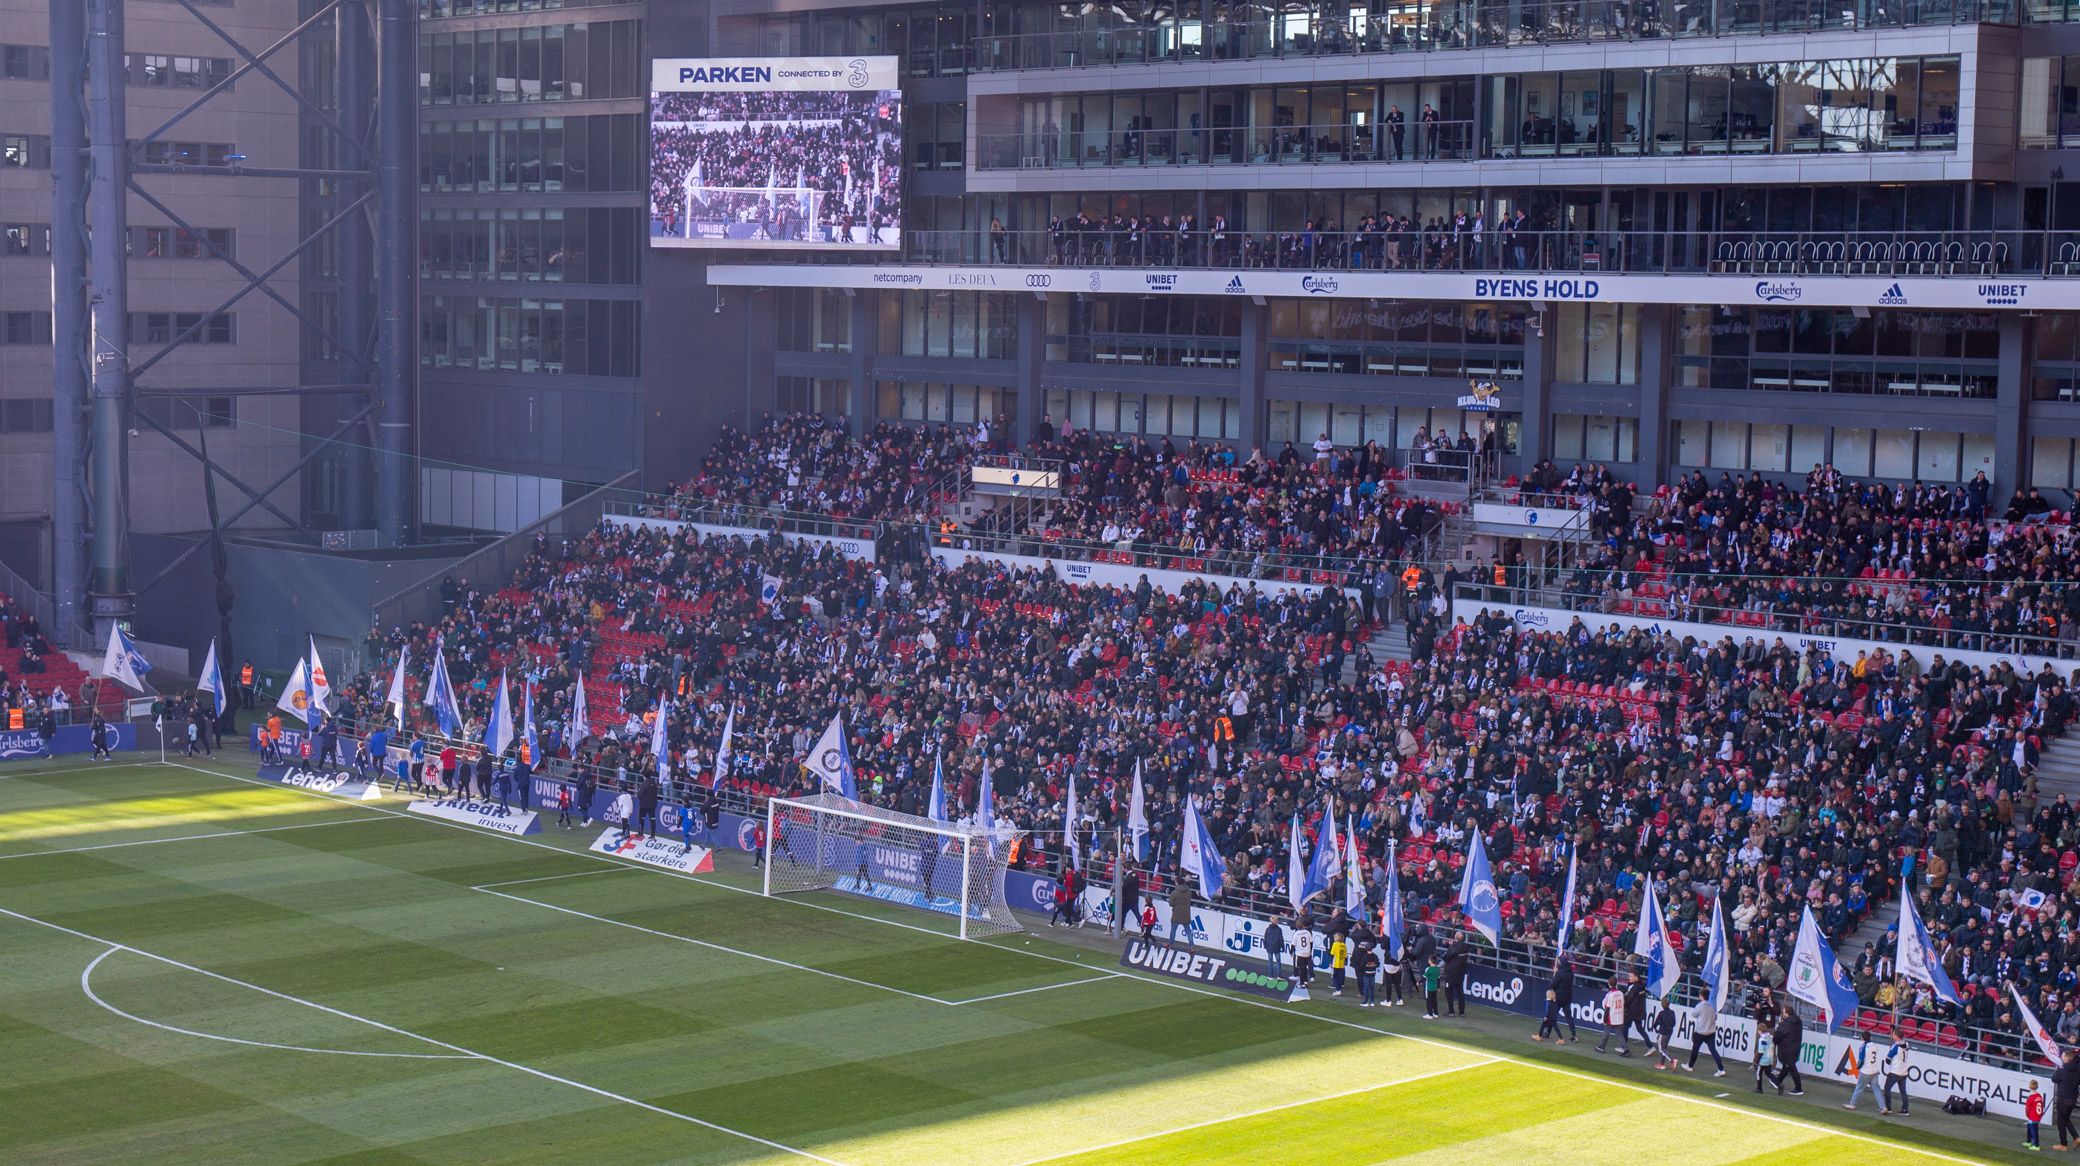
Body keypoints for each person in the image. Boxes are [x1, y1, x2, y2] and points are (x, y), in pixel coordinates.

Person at [1536, 955, 1576, 1042]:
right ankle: (1574, 1035)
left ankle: (1547, 1032)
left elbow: (1553, 985)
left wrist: (1555, 974)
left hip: (1558, 997)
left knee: (1551, 1015)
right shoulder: (1571, 972)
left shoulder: (1559, 973)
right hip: (1567, 996)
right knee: (1569, 1016)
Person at [1686, 992, 1726, 1075]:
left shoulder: (1699, 1006)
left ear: (1701, 996)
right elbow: (1715, 1018)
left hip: (1701, 1032)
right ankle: (1721, 1068)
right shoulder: (1712, 1007)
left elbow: (1694, 1014)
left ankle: (1690, 1066)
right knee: (1713, 1050)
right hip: (1711, 1032)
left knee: (1695, 1049)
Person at [1768, 1007, 1805, 1095]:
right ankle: (1778, 1081)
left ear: (1787, 1013)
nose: (1782, 1014)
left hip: (1787, 1049)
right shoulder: (1796, 1021)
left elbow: (1779, 1034)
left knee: (1791, 1068)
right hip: (1794, 1047)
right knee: (1786, 1067)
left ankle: (1798, 1088)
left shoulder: (1787, 1023)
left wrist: (1781, 1025)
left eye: (1784, 1012)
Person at [1596, 979, 1629, 1055]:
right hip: (1620, 1015)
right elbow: (1624, 1004)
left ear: (1608, 983)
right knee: (1619, 1033)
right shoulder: (1620, 993)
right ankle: (1626, 1049)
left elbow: (1607, 1008)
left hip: (1612, 1016)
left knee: (1606, 1032)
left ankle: (1602, 1046)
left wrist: (1605, 1019)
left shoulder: (1610, 995)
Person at [1880, 1039, 1910, 1116]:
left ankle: (1888, 1108)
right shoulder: (1906, 1044)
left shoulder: (1895, 1046)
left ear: (1896, 1036)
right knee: (1903, 1091)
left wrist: (1890, 1052)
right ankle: (1905, 1109)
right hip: (1904, 1071)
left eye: (1893, 1034)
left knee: (1887, 1089)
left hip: (1895, 1071)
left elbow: (1888, 1060)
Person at [1441, 935, 1469, 1015]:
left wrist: (1450, 946)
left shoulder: (1453, 947)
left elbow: (1445, 957)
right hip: (1461, 972)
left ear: (1456, 938)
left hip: (1451, 973)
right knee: (1460, 991)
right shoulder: (1466, 946)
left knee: (1448, 991)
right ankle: (1461, 1012)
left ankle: (1451, 1011)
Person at [1652, 1002, 1678, 1069]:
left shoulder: (1661, 1013)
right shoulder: (1672, 1012)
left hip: (1663, 1032)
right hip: (1669, 1032)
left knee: (1662, 1048)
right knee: (1664, 1047)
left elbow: (1656, 1022)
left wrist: (1655, 1027)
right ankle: (1661, 1063)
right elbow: (1674, 1023)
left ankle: (1672, 1060)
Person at [1168, 877, 1193, 944]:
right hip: (1186, 914)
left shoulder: (1174, 892)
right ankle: (1192, 946)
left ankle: (1170, 944)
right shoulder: (1189, 892)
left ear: (1177, 883)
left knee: (1173, 930)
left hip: (1176, 914)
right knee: (1188, 931)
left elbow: (1171, 904)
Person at [1356, 938, 1379, 1007]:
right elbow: (1378, 964)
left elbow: (1361, 965)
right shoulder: (1375, 956)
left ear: (1366, 948)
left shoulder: (1364, 956)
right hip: (1373, 973)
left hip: (1366, 974)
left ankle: (1366, 1001)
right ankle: (1372, 1002)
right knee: (1372, 988)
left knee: (1366, 987)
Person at [2026, 1078, 2046, 1151]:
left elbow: (2027, 1108)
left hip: (2032, 1116)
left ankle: (2036, 1145)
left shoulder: (2030, 1097)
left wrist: (2027, 1115)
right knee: (2030, 1128)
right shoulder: (2039, 1096)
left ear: (2029, 1087)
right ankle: (2029, 1141)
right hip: (2038, 1116)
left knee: (2034, 1131)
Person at [1329, 931, 1350, 996]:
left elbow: (1332, 953)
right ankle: (1339, 989)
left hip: (1335, 964)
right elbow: (1345, 956)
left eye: (1335, 937)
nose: (1334, 938)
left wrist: (1331, 963)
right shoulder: (1344, 945)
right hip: (1342, 964)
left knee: (1334, 977)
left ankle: (1338, 990)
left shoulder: (1335, 944)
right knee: (1340, 978)